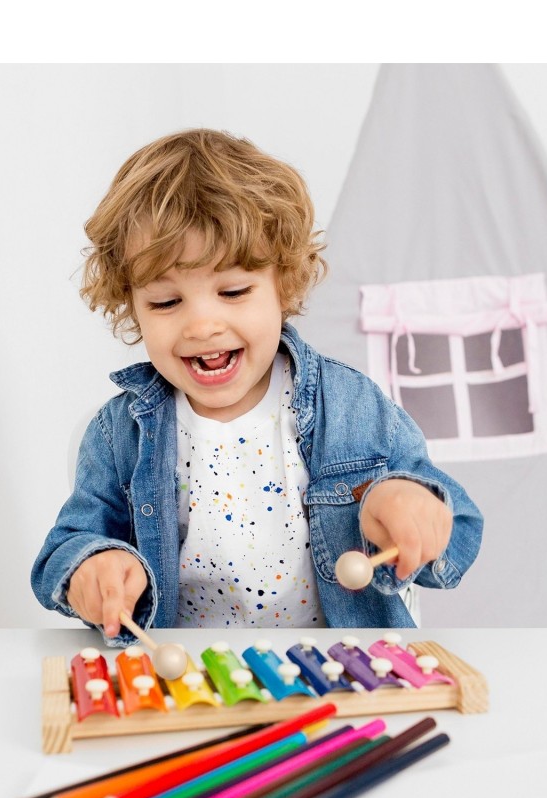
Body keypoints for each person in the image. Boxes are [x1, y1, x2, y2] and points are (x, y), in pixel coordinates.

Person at [31, 129, 483, 646]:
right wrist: (91, 566)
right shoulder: (120, 433)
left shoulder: (352, 407)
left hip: (338, 664)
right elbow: (66, 547)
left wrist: (412, 505)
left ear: (282, 285)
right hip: (193, 672)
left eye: (233, 291)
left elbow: (462, 527)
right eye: (165, 302)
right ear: (132, 306)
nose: (202, 325)